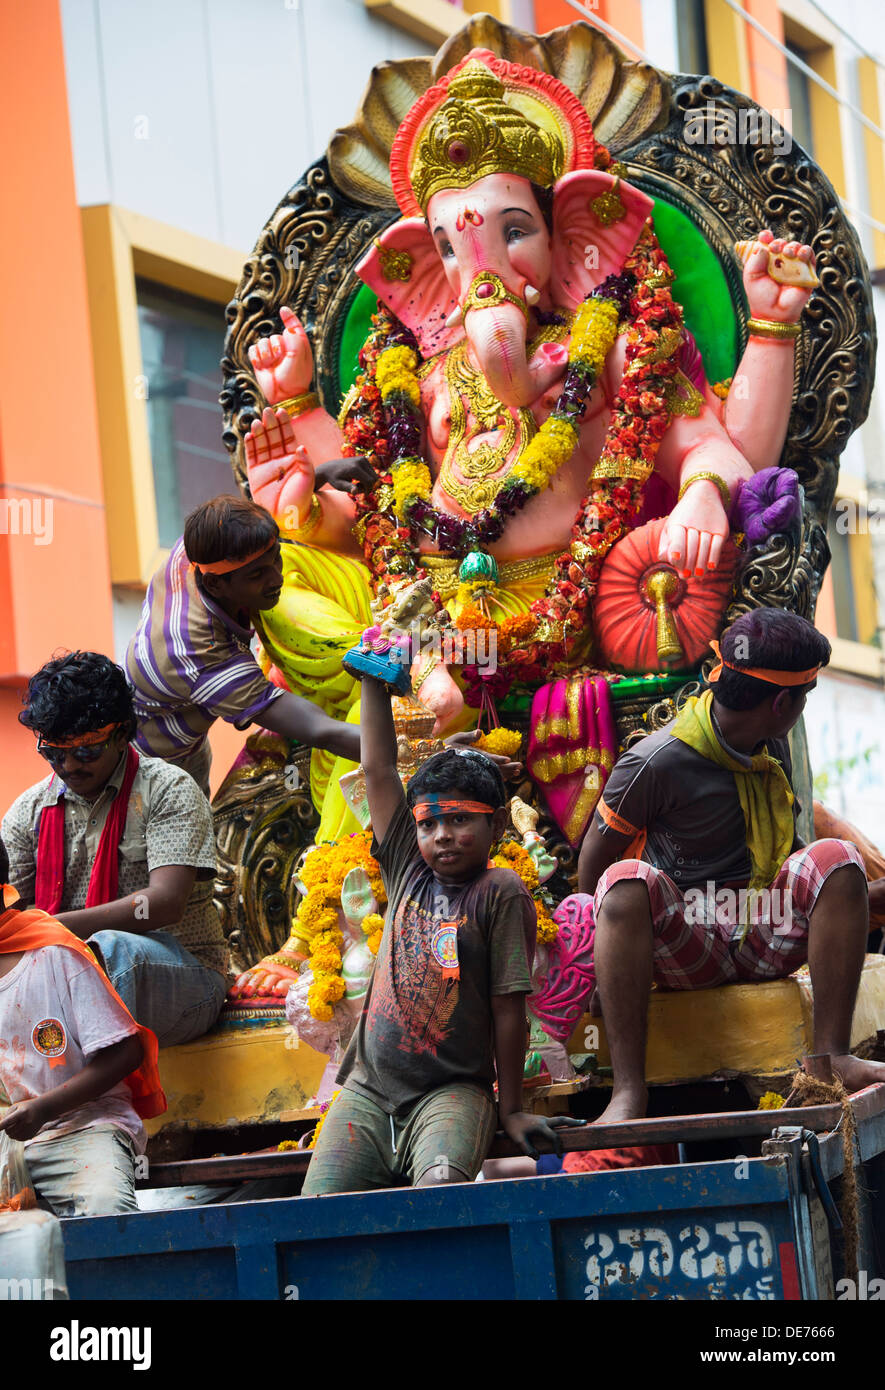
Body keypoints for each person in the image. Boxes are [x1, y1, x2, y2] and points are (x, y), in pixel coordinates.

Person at [576, 608, 885, 1124]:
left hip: (760, 930)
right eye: (804, 699)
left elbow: (795, 854)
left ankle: (830, 1060)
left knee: (839, 858)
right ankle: (627, 1094)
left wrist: (852, 895)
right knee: (623, 882)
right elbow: (593, 869)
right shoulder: (656, 761)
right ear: (783, 702)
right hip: (688, 945)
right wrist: (599, 968)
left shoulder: (771, 745)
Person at [301, 673, 578, 1194]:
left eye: (458, 820)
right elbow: (378, 769)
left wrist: (512, 1108)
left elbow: (507, 1006)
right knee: (319, 1211)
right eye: (428, 824)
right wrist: (373, 679)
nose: (442, 835)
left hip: (452, 1093)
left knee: (439, 1198)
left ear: (497, 828)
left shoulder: (500, 891)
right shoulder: (406, 868)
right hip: (367, 1090)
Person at [3, 653, 229, 1047]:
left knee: (108, 949)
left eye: (87, 750)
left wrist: (52, 930)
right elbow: (13, 914)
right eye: (54, 752)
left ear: (122, 733)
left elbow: (164, 903)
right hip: (61, 974)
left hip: (186, 976)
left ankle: (81, 1089)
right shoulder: (28, 811)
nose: (69, 765)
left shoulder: (168, 789)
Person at [125, 494, 366, 796]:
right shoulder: (200, 654)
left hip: (183, 733)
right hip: (151, 770)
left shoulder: (206, 544)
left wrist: (323, 477)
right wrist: (412, 747)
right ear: (215, 585)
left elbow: (253, 516)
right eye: (257, 575)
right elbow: (320, 731)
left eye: (276, 558)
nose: (277, 578)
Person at [0, 836, 165, 1217]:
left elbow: (126, 1052)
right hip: (14, 1144)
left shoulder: (54, 952)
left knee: (108, 1211)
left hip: (87, 1129)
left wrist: (43, 1109)